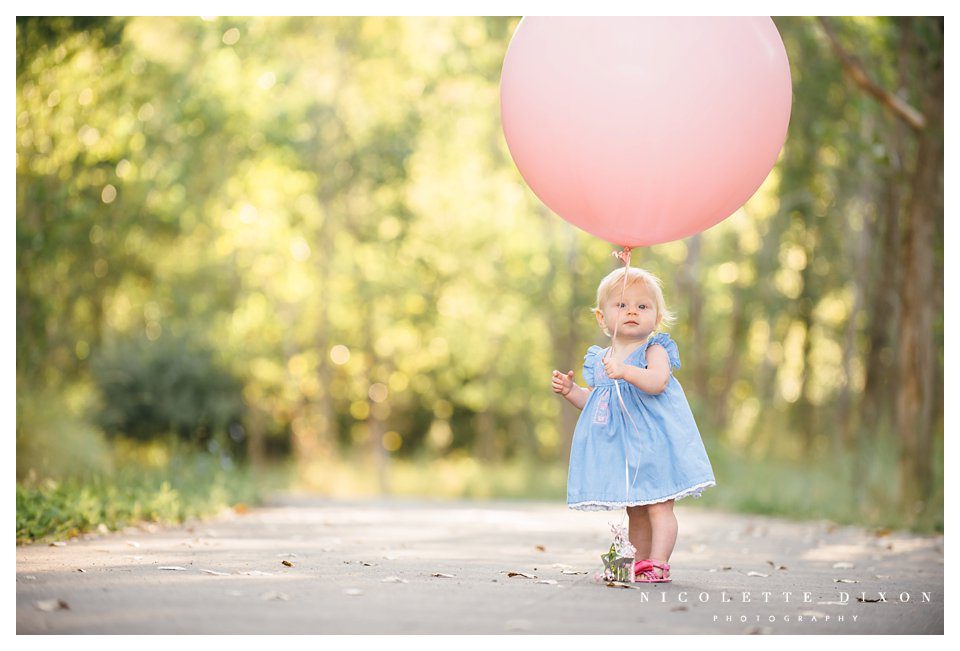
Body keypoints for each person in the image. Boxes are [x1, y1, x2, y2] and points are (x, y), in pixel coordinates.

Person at [552, 266, 716, 583]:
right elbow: (598, 403)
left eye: (643, 306)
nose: (632, 312)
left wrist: (625, 372)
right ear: (602, 318)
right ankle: (635, 563)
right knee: (636, 509)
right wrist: (572, 392)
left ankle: (658, 562)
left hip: (656, 444)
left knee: (658, 505)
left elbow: (657, 382)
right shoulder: (601, 358)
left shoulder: (655, 350)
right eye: (622, 305)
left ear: (656, 318)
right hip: (627, 452)